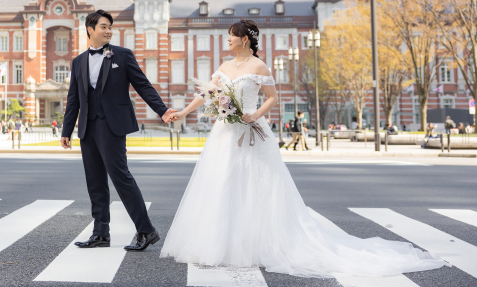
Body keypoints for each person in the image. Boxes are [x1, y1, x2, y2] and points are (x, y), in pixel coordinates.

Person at [159, 20, 447, 277]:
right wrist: (183, 113)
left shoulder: (259, 67)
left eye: (231, 36)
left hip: (251, 130)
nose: (227, 40)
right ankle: (220, 241)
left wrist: (256, 114)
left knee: (258, 186)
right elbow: (206, 94)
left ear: (244, 39)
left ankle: (257, 242)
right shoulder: (223, 67)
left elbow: (273, 97)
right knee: (221, 184)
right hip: (225, 133)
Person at [61, 10, 176, 252]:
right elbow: (74, 98)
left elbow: (142, 84)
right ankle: (100, 233)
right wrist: (66, 130)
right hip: (87, 127)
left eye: (110, 27)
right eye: (103, 26)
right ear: (90, 29)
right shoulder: (79, 61)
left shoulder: (122, 55)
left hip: (111, 125)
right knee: (95, 182)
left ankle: (146, 230)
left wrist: (162, 110)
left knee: (120, 177)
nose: (108, 30)